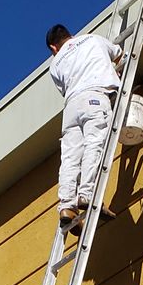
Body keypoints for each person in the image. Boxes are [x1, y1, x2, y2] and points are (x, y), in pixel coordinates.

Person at [46, 23, 123, 233]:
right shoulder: (92, 39)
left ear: (54, 48)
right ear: (70, 35)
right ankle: (87, 194)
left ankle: (66, 207)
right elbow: (119, 56)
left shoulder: (55, 65)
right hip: (95, 98)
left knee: (70, 158)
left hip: (71, 108)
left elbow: (64, 88)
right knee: (94, 145)